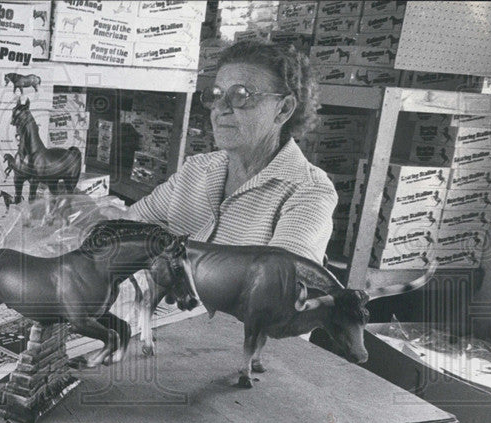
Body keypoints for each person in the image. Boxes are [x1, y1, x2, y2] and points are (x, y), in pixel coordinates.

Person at [127, 40, 337, 265]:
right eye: (216, 94)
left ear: (283, 109)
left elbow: (276, 284)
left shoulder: (309, 192)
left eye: (240, 95)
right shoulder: (197, 169)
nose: (220, 108)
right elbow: (129, 224)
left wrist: (170, 255)